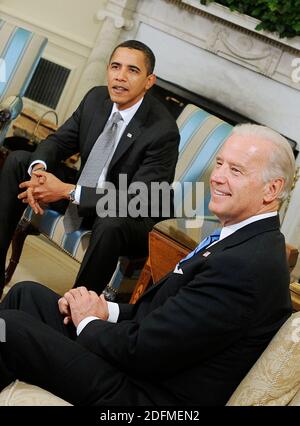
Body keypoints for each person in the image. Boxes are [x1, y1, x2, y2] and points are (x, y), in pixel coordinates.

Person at [0, 123, 295, 406]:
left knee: (9, 328)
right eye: (219, 164)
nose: (217, 177)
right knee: (25, 294)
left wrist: (88, 321)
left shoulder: (246, 265)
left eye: (235, 170)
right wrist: (107, 310)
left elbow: (146, 351)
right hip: (144, 369)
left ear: (272, 190)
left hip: (148, 397)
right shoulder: (242, 240)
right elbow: (165, 319)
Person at [0, 40, 180, 296]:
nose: (120, 77)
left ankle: (77, 311)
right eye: (115, 67)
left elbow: (138, 199)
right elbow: (59, 142)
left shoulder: (162, 131)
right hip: (88, 193)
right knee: (19, 161)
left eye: (132, 70)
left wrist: (67, 191)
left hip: (130, 212)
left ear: (149, 81)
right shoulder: (96, 98)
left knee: (111, 221)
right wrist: (39, 174)